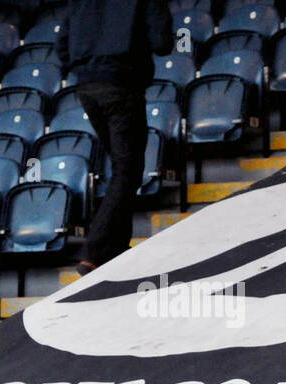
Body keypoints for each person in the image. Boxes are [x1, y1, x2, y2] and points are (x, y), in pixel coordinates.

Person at [57, 0, 173, 275]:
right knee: (128, 169)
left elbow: (61, 44)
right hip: (122, 83)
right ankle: (95, 251)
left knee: (123, 168)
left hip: (87, 86)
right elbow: (163, 43)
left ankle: (116, 248)